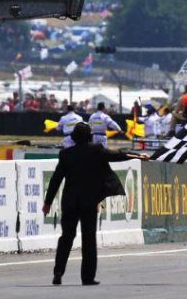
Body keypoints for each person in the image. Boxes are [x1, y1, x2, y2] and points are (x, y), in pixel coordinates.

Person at [42, 122, 149, 286]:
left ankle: (58, 272)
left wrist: (48, 202)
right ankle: (87, 277)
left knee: (66, 237)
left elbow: (56, 179)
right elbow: (119, 155)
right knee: (89, 239)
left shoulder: (65, 154)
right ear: (90, 136)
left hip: (70, 202)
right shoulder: (97, 150)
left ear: (74, 138)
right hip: (89, 201)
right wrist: (139, 156)